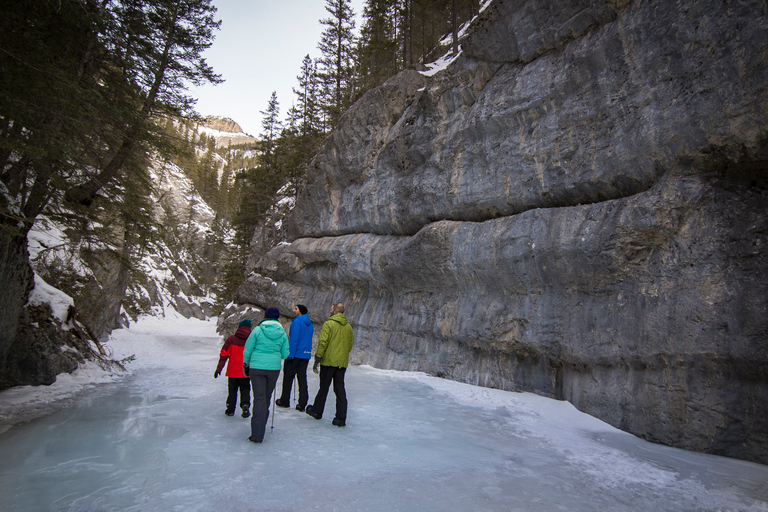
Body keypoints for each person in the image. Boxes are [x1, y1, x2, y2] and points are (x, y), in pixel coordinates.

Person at [243, 307, 289, 443]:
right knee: (266, 398)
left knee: (259, 398)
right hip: (273, 369)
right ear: (277, 318)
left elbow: (248, 349)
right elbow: (285, 354)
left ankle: (257, 434)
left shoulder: (257, 330)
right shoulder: (282, 333)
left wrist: (246, 363)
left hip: (257, 367)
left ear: (265, 317)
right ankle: (261, 427)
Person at [305, 302, 354, 427]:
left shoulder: (329, 324)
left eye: (331, 309)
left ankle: (317, 411)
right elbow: (349, 344)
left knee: (324, 387)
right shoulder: (348, 327)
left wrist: (318, 358)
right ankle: (340, 418)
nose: (330, 310)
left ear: (335, 311)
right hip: (341, 363)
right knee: (339, 389)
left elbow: (323, 342)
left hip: (328, 362)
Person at [275, 304, 314, 412]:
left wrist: (290, 354)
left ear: (301, 311)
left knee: (288, 377)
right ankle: (302, 403)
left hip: (296, 354)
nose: (293, 310)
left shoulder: (297, 322)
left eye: (296, 309)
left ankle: (284, 400)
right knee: (302, 378)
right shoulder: (309, 324)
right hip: (305, 354)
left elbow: (294, 340)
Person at [215, 319, 252, 418]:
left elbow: (224, 354)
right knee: (245, 389)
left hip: (232, 372)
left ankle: (230, 410)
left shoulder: (231, 339)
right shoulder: (252, 340)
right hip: (246, 371)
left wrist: (219, 369)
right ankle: (245, 405)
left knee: (232, 391)